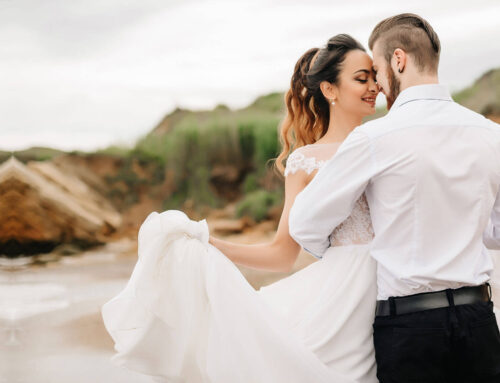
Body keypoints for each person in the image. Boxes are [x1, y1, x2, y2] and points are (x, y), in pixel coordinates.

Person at [102, 34, 380, 383]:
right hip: (342, 299)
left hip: (396, 283)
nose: (374, 86)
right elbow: (282, 255)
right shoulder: (305, 162)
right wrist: (209, 243)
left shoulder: (388, 141)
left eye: (374, 76)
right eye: (361, 78)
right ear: (329, 90)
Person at [289, 13, 500, 383]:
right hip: (480, 321)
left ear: (398, 60)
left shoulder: (375, 138)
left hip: (410, 328)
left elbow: (304, 224)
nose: (378, 85)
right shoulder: (489, 134)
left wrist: (347, 257)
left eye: (378, 71)